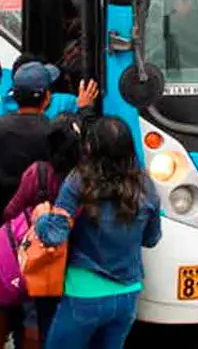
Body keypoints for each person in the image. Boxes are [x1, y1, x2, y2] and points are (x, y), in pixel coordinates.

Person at [34, 116, 162, 349]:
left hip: (83, 295)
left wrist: (41, 217)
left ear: (90, 146)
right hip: (127, 295)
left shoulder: (78, 180)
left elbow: (54, 235)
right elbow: (152, 239)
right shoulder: (146, 185)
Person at [3, 113, 86, 347]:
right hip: (78, 266)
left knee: (41, 317)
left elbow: (11, 211)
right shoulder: (89, 179)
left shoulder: (37, 173)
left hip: (42, 265)